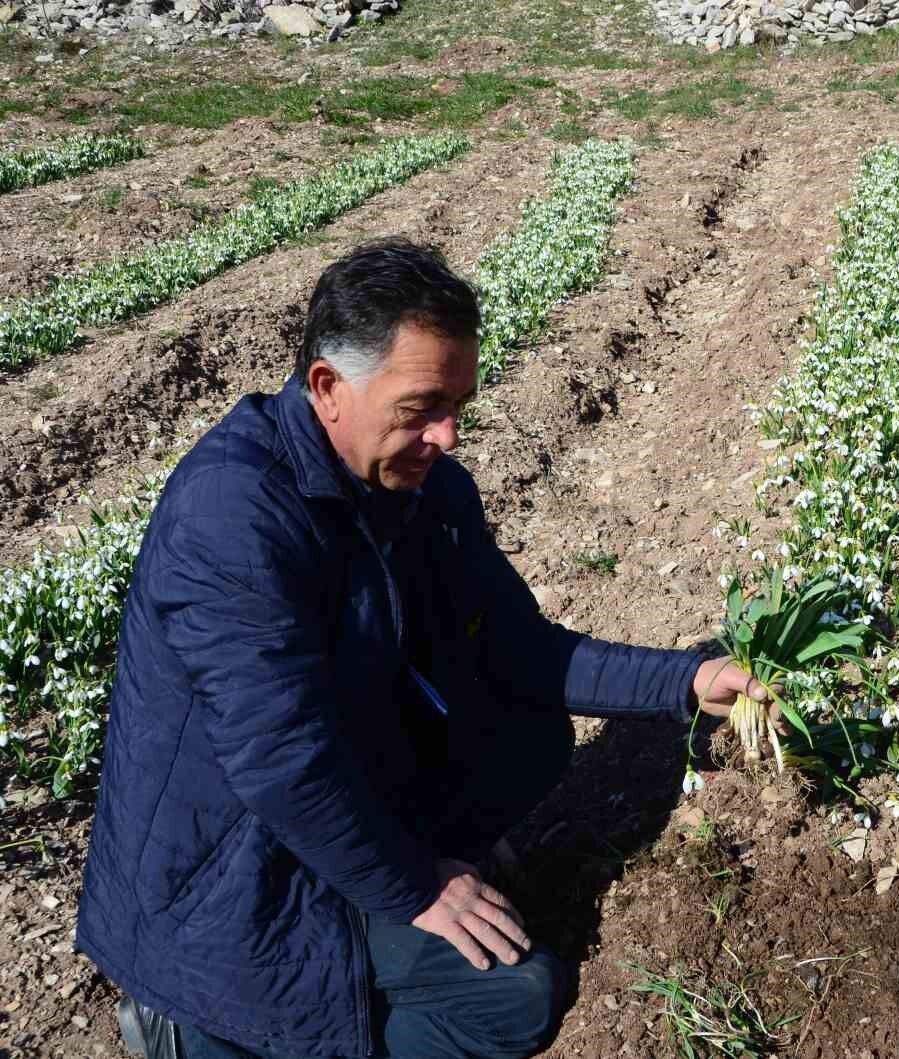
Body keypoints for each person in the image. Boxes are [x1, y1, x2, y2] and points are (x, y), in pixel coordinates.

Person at [77, 238, 769, 1058]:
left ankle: (371, 946)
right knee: (509, 995)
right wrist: (416, 885)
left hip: (344, 789)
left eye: (458, 406)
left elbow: (524, 651)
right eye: (421, 407)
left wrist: (690, 678)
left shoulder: (423, 487)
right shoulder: (233, 515)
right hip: (232, 871)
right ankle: (186, 1024)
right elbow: (280, 763)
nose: (446, 434)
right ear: (328, 388)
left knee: (529, 737)